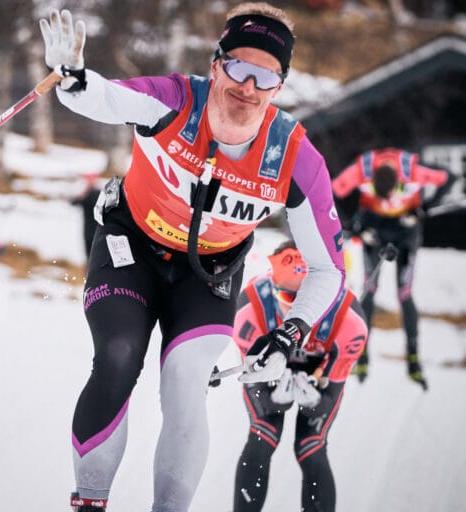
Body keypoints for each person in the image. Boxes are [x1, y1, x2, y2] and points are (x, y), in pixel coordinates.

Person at [39, 4, 346, 511]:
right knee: (118, 353)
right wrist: (73, 79)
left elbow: (328, 268)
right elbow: (109, 99)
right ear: (216, 63)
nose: (247, 86)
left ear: (279, 86)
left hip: (210, 273)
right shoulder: (176, 100)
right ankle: (90, 502)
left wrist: (290, 333)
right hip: (130, 246)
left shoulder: (294, 158)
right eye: (239, 67)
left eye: (265, 76)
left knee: (185, 382)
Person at [227, 240, 367, 512]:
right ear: (272, 286)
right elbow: (258, 391)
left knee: (311, 445)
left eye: (310, 298)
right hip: (273, 373)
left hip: (318, 372)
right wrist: (273, 401)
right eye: (289, 297)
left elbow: (330, 398)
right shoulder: (249, 309)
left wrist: (315, 401)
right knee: (262, 434)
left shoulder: (351, 321)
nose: (297, 309)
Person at [332, 147, 454, 390]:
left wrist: (425, 208)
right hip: (374, 229)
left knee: (404, 292)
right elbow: (333, 190)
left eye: (393, 192)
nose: (388, 199)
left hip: (405, 228)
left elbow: (448, 178)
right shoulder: (362, 170)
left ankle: (413, 356)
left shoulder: (412, 170)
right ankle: (362, 354)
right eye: (380, 194)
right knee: (370, 287)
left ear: (400, 181)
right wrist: (353, 224)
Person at [70, 172, 102, 262]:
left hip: (97, 228)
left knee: (95, 255)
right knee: (89, 255)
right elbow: (73, 203)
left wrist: (84, 194)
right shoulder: (86, 194)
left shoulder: (97, 193)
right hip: (88, 229)